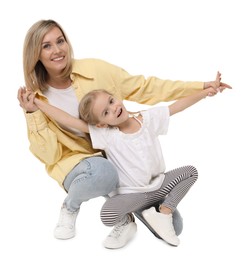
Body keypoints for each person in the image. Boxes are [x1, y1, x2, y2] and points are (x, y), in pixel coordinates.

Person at [17, 19, 231, 249]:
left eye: (60, 41)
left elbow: (147, 88)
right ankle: (71, 208)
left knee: (174, 226)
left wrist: (200, 88)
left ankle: (131, 215)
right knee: (102, 171)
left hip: (123, 166)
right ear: (35, 54)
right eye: (46, 46)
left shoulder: (98, 73)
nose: (57, 50)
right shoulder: (37, 99)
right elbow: (51, 151)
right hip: (81, 165)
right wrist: (35, 110)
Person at [27, 72, 222, 247]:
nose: (114, 108)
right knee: (107, 215)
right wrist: (37, 104)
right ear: (102, 124)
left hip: (159, 185)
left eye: (111, 101)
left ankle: (164, 211)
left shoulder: (147, 119)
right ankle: (139, 219)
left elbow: (177, 107)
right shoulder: (107, 136)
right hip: (132, 195)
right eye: (106, 112)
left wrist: (205, 90)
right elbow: (69, 120)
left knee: (190, 173)